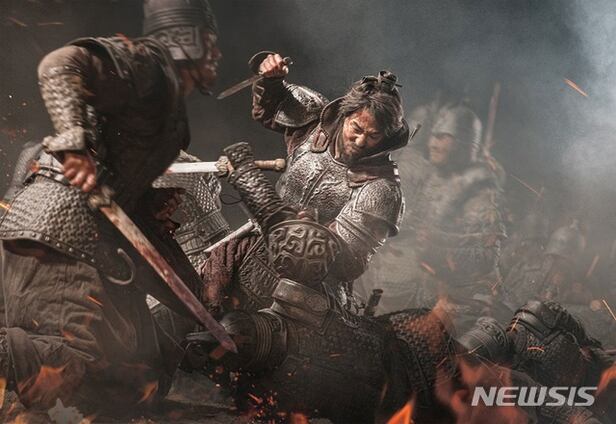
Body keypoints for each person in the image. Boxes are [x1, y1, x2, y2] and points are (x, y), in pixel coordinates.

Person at [0, 0, 221, 415]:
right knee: (65, 355)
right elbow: (60, 64)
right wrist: (73, 143)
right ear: (187, 39)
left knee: (135, 371)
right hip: (61, 229)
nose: (218, 54)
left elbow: (121, 166)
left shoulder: (166, 98)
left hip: (96, 239)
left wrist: (148, 201)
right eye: (211, 42)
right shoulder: (150, 63)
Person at [201, 52, 410, 315]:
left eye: (373, 136)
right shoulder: (313, 122)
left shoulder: (382, 190)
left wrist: (308, 231)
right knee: (201, 290)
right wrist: (272, 79)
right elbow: (269, 108)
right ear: (344, 115)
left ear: (386, 137)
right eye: (356, 129)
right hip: (254, 243)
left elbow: (347, 263)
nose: (360, 141)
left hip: (309, 286)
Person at [365, 102, 507, 332]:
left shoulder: (479, 191)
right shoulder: (433, 177)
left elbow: (486, 257)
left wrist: (439, 249)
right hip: (411, 279)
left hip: (456, 298)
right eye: (434, 136)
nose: (433, 144)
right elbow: (417, 220)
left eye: (443, 138)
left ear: (463, 144)